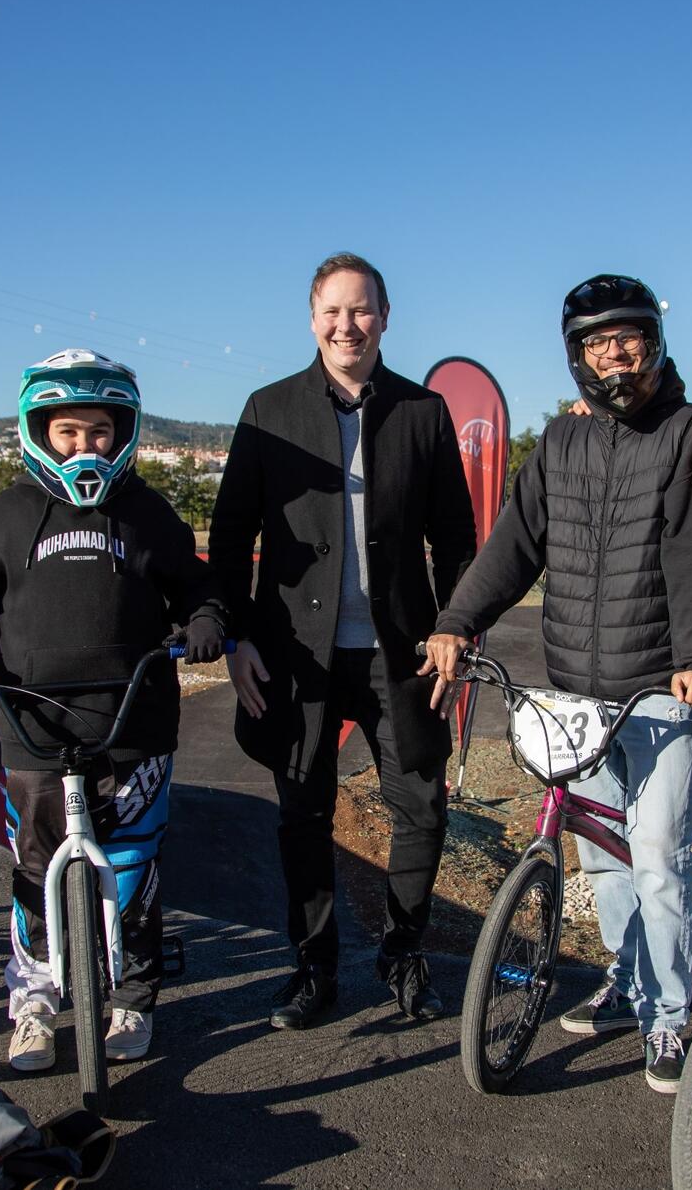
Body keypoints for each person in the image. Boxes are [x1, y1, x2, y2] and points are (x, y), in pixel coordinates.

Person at [423, 274, 692, 1093]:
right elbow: (513, 545)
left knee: (661, 858)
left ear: (652, 343)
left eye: (626, 337)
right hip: (574, 690)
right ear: (576, 355)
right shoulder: (561, 444)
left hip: (659, 690)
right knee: (604, 865)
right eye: (598, 343)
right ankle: (626, 983)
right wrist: (457, 620)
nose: (614, 354)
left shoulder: (685, 431)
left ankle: (667, 1018)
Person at [0, 349, 225, 1070]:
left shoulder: (146, 512)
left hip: (134, 723)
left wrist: (205, 621)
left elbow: (197, 586)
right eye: (69, 432)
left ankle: (133, 1000)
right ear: (38, 432)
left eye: (101, 431)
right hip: (32, 725)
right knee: (34, 869)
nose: (87, 447)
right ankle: (36, 1004)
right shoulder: (9, 515)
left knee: (135, 866)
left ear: (126, 432)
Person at [206, 252, 478, 1030]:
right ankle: (312, 968)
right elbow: (230, 538)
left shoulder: (422, 412)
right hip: (296, 655)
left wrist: (454, 625)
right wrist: (237, 639)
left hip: (403, 653)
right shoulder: (268, 409)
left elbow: (455, 538)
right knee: (302, 815)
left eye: (361, 310)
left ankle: (402, 953)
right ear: (312, 317)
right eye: (332, 310)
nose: (346, 325)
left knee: (420, 807)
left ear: (385, 318)